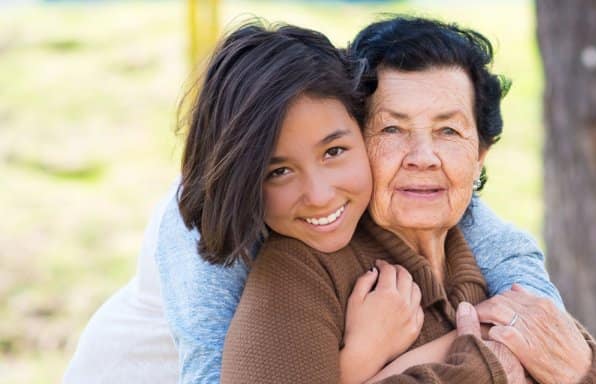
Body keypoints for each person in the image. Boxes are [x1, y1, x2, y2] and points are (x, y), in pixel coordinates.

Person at [63, 20, 564, 384]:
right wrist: (365, 358)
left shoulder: (421, 190)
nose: (321, 192)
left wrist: (548, 343)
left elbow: (516, 273)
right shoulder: (201, 228)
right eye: (277, 171)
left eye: (335, 150)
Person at [219, 16, 596, 383]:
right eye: (393, 129)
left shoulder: (502, 273)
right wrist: (483, 366)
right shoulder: (303, 269)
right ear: (356, 139)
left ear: (480, 154)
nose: (423, 158)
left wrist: (588, 373)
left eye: (448, 131)